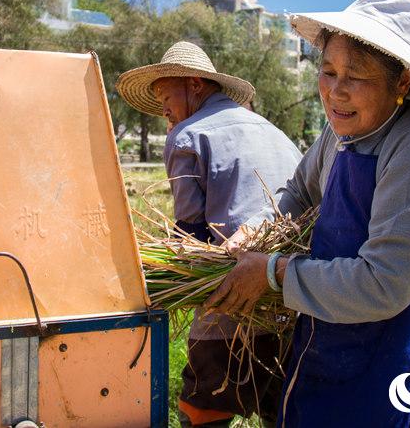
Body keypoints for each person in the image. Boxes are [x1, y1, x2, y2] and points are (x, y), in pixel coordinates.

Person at [205, 0, 410, 427]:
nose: (335, 92)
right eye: (327, 72)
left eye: (357, 77)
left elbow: (384, 283)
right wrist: (258, 230)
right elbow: (299, 193)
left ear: (402, 82)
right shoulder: (341, 133)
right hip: (340, 336)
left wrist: (273, 273)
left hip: (406, 361)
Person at [117, 41, 302, 427]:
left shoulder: (187, 136)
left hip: (233, 290)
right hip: (294, 290)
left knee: (204, 406)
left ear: (195, 84)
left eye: (166, 96)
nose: (164, 110)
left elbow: (191, 231)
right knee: (281, 406)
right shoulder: (275, 131)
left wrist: (162, 274)